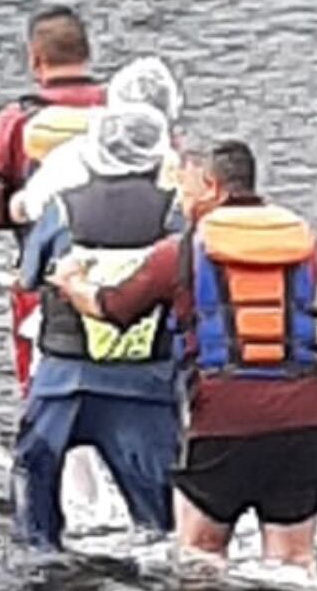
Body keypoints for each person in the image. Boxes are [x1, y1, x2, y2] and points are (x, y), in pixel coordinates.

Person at [52, 138, 317, 570]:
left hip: (224, 419)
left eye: (183, 186)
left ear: (210, 185)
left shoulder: (179, 252)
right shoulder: (304, 248)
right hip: (307, 418)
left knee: (201, 557)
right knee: (294, 562)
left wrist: (72, 282)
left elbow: (113, 308)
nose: (180, 200)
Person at [12, 105, 187, 552]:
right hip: (145, 388)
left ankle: (44, 586)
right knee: (159, 530)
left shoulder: (62, 210)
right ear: (156, 154)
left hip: (62, 381)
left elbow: (29, 276)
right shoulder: (176, 215)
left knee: (35, 504)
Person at [0, 5, 111, 392]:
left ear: (35, 59)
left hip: (45, 279)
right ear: (86, 53)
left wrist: (22, 212)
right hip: (129, 278)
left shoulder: (15, 120)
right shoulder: (128, 113)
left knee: (44, 387)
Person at [16, 56, 183, 228]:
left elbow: (27, 208)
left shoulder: (68, 158)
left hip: (74, 245)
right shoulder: (178, 172)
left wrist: (20, 204)